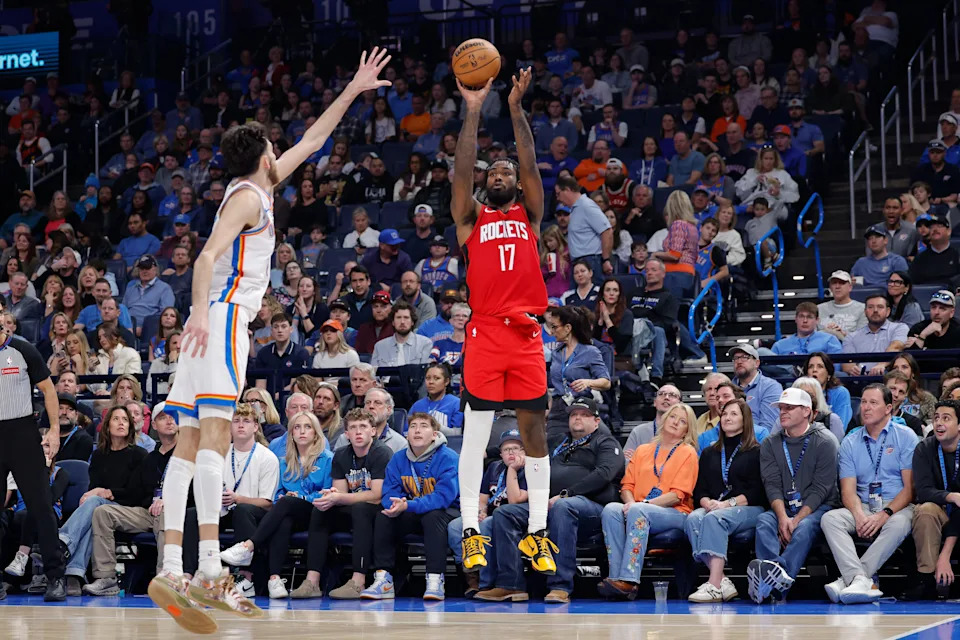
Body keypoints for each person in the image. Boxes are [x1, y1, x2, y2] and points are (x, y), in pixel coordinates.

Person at [150, 48, 391, 632]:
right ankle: (205, 568)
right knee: (211, 436)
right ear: (262, 154)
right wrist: (201, 316)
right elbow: (205, 257)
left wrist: (355, 88)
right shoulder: (248, 197)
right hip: (224, 320)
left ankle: (175, 565)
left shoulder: (258, 186)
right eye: (273, 148)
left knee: (189, 438)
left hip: (215, 320)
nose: (282, 153)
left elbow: (311, 141)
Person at [450, 67, 558, 575]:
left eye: (506, 171)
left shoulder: (529, 217)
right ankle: (472, 528)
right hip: (486, 331)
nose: (499, 173)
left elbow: (532, 163)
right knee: (475, 434)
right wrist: (473, 112)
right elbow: (461, 171)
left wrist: (515, 108)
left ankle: (537, 533)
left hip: (527, 333)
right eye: (492, 171)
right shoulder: (471, 219)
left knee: (533, 431)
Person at [477, 397, 623, 604]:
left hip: (590, 507)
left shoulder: (606, 442)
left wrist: (567, 493)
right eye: (573, 414)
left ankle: (560, 586)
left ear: (596, 421)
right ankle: (510, 585)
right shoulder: (557, 440)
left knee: (563, 507)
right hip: (547, 504)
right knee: (505, 513)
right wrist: (485, 452)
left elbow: (604, 474)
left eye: (584, 414)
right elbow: (521, 445)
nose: (577, 418)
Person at [821, 384, 919, 604]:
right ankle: (859, 578)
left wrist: (884, 514)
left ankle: (852, 579)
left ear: (888, 408)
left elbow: (910, 489)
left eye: (873, 403)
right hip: (862, 504)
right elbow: (847, 490)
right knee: (830, 519)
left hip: (897, 505)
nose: (865, 407)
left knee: (900, 523)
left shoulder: (906, 437)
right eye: (863, 402)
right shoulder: (850, 441)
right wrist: (858, 515)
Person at [220, 411, 333, 599]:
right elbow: (277, 492)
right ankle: (274, 578)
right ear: (291, 433)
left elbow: (327, 493)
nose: (302, 431)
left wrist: (301, 498)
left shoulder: (327, 458)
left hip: (317, 513)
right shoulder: (284, 461)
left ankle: (248, 546)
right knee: (284, 518)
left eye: (307, 427)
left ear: (316, 432)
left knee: (286, 504)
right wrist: (285, 496)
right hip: (289, 512)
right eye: (297, 427)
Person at [747, 388, 839, 603]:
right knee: (764, 521)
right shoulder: (770, 443)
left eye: (789, 407)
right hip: (784, 507)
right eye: (781, 408)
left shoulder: (825, 441)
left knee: (804, 527)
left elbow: (821, 489)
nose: (783, 412)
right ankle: (772, 582)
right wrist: (782, 518)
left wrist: (796, 519)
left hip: (819, 507)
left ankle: (774, 586)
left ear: (807, 411)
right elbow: (772, 484)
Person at [598, 403, 698, 600]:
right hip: (639, 507)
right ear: (664, 419)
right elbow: (627, 486)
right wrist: (630, 503)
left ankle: (630, 580)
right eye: (672, 417)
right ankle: (616, 577)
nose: (676, 422)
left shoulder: (688, 452)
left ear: (688, 429)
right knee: (610, 509)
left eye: (682, 421)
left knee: (638, 512)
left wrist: (642, 505)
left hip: (676, 513)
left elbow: (678, 495)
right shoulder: (643, 450)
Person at [289, 408, 391, 599]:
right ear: (346, 434)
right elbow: (341, 492)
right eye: (353, 428)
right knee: (321, 509)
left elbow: (377, 495)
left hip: (377, 512)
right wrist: (331, 496)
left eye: (363, 427)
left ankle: (358, 581)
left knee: (361, 508)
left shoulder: (382, 453)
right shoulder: (342, 454)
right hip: (352, 507)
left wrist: (340, 497)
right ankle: (312, 581)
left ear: (373, 431)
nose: (358, 432)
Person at [361, 412, 460, 600]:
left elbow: (443, 497)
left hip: (447, 511)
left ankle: (434, 579)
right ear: (406, 434)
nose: (417, 430)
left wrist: (409, 505)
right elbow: (389, 491)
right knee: (384, 516)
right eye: (413, 426)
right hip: (411, 509)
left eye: (424, 426)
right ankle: (384, 579)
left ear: (434, 434)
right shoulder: (398, 459)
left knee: (433, 516)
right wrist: (395, 504)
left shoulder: (448, 457)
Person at [83, 405, 179, 596]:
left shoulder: (187, 454)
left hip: (176, 512)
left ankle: (165, 579)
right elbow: (136, 492)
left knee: (164, 513)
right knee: (102, 512)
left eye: (173, 417)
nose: (169, 421)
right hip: (144, 512)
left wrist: (168, 500)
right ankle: (106, 578)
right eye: (163, 418)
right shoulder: (150, 458)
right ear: (153, 425)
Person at [685, 398, 766, 602]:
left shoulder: (757, 451)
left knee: (714, 519)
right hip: (715, 506)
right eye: (725, 414)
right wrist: (706, 503)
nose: (727, 418)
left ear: (745, 420)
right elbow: (700, 490)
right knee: (693, 519)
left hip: (750, 508)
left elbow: (758, 491)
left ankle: (713, 585)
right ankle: (722, 580)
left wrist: (726, 504)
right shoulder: (709, 452)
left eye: (733, 414)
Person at [448, 428, 527, 597]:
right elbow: (482, 499)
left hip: (514, 518)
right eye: (506, 450)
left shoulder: (530, 470)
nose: (511, 453)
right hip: (491, 514)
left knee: (486, 526)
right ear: (500, 454)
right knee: (455, 526)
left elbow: (515, 500)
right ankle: (472, 577)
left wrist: (513, 470)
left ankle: (486, 583)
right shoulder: (494, 467)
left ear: (525, 451)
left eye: (516, 448)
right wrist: (480, 511)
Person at [903, 400, 960, 599]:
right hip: (941, 511)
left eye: (946, 418)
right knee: (925, 509)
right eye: (936, 418)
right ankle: (926, 580)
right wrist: (951, 496)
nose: (939, 423)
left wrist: (945, 554)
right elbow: (924, 491)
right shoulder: (924, 448)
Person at [545, 306, 611, 433]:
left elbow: (606, 382)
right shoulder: (556, 353)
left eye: (555, 327)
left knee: (603, 439)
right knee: (554, 446)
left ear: (568, 328)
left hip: (582, 407)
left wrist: (588, 382)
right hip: (558, 409)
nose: (552, 331)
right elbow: (557, 386)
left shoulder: (590, 352)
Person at [729, 344, 783, 431]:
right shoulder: (728, 388)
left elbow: (769, 427)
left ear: (757, 363)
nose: (739, 361)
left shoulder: (771, 387)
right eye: (736, 358)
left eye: (745, 357)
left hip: (758, 442)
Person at [370, 300, 433, 367]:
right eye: (398, 318)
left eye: (406, 317)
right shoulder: (379, 346)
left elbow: (426, 373)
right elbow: (373, 375)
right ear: (393, 322)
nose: (402, 322)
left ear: (412, 322)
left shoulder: (425, 343)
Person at [409, 362, 463, 436]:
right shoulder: (417, 405)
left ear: (446, 381)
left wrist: (436, 426)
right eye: (428, 378)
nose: (431, 382)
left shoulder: (456, 404)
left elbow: (457, 434)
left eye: (436, 378)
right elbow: (407, 432)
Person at [817, 271, 866, 341]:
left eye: (842, 283)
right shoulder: (819, 309)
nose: (837, 286)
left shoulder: (862, 309)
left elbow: (863, 338)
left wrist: (843, 334)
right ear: (830, 288)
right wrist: (826, 331)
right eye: (834, 283)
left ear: (850, 287)